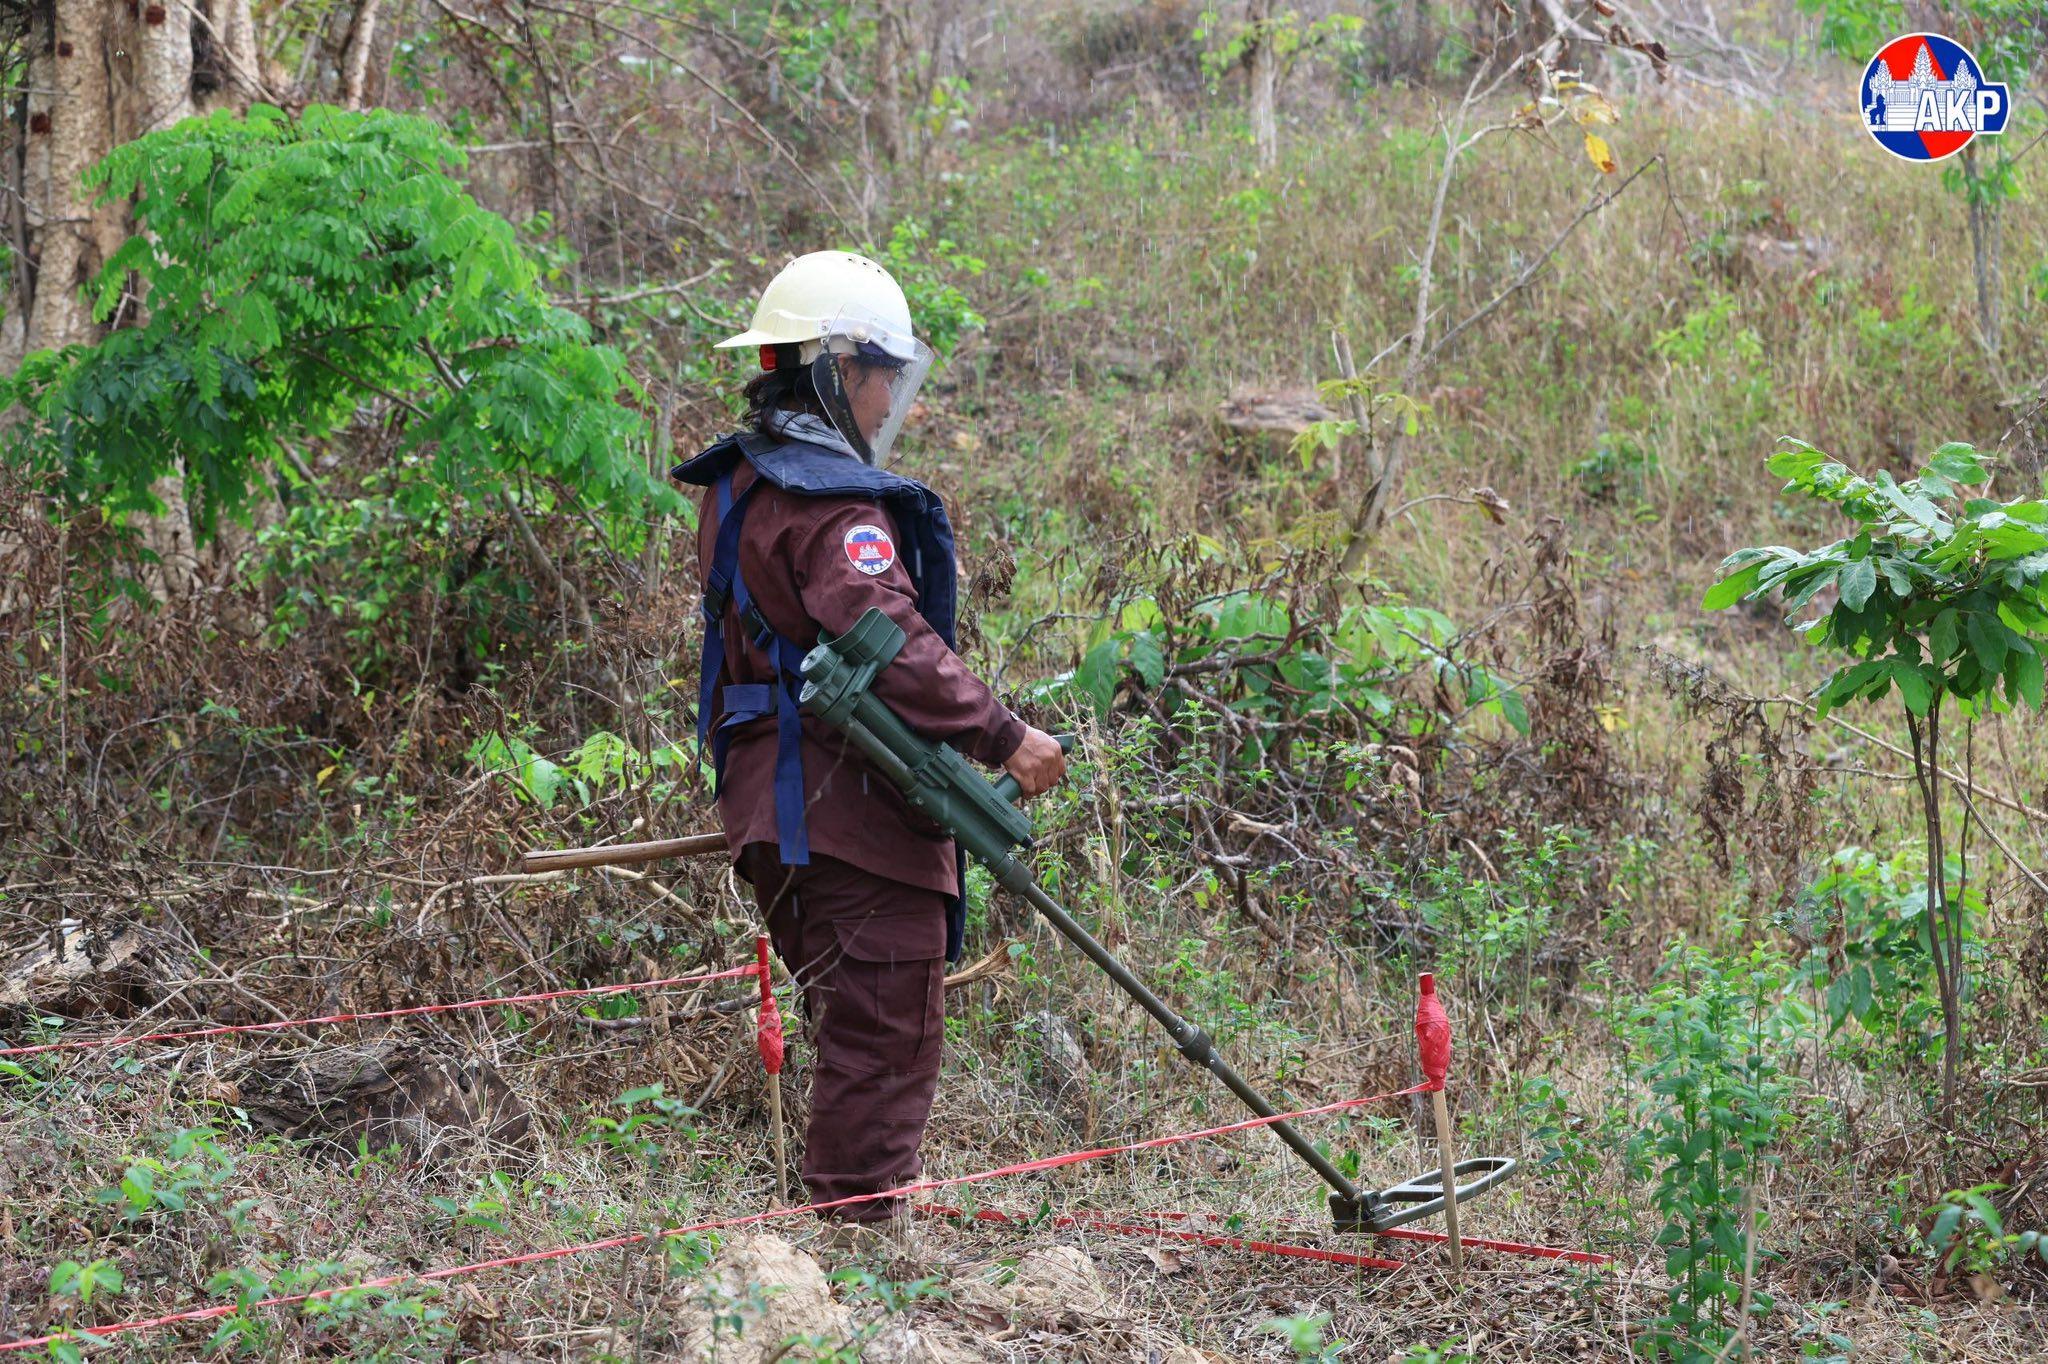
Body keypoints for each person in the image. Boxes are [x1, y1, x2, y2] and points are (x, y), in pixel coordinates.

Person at [673, 250, 1067, 1248]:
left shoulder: (739, 486)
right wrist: (1004, 735)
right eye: (881, 371)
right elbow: (884, 640)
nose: (893, 392)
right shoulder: (832, 507)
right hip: (845, 814)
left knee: (851, 1031)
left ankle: (842, 1242)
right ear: (831, 370)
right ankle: (856, 1260)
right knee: (883, 1036)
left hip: (773, 813)